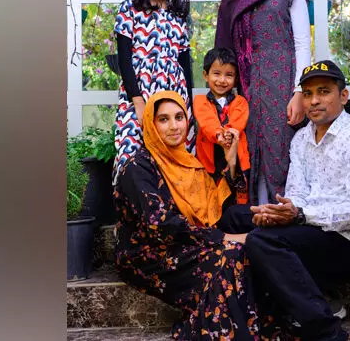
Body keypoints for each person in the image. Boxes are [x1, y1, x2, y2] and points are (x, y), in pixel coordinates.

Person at [219, 60, 350, 341]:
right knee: (235, 216)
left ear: (343, 96)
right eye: (307, 94)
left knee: (264, 241)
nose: (314, 101)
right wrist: (277, 213)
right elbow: (296, 194)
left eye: (324, 91)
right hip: (310, 227)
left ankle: (327, 331)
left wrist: (299, 215)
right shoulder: (301, 139)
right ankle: (307, 298)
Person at [114, 90, 266, 340]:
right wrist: (224, 238)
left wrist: (231, 162)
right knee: (229, 254)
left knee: (245, 248)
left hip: (185, 242)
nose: (174, 126)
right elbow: (161, 224)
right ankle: (220, 332)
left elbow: (214, 208)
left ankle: (243, 327)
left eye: (179, 117)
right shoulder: (137, 167)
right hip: (148, 253)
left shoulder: (188, 162)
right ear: (150, 124)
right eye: (163, 119)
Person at [214, 0, 312, 205]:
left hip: (282, 89)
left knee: (283, 153)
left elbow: (302, 44)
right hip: (246, 92)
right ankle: (257, 219)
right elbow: (224, 49)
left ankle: (288, 217)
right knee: (249, 153)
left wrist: (299, 92)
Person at [112, 0, 196, 183]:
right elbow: (124, 60)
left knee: (174, 162)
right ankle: (136, 206)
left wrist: (188, 108)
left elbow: (185, 66)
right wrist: (137, 101)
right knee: (131, 154)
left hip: (174, 94)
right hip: (139, 94)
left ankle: (170, 206)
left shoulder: (178, 15)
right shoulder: (130, 8)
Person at [193, 47, 251, 205]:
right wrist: (218, 134)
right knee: (212, 200)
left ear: (235, 78)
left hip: (235, 159)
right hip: (210, 162)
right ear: (206, 75)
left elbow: (238, 121)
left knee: (236, 201)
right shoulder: (200, 101)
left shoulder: (240, 101)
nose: (222, 80)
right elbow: (207, 121)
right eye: (216, 73)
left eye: (229, 75)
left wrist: (229, 134)